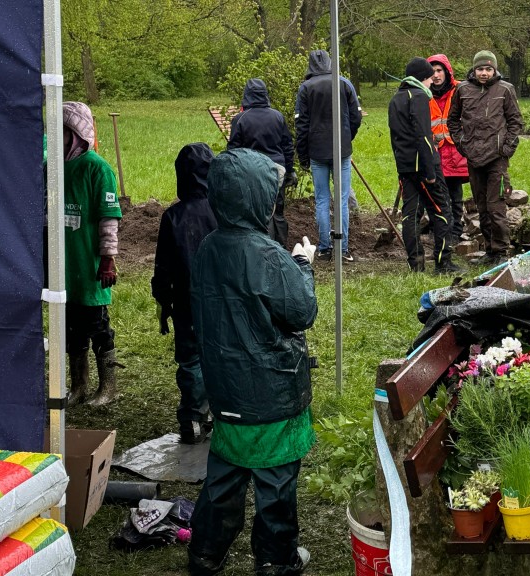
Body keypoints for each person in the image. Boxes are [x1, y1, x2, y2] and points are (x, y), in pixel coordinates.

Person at [188, 148, 318, 576]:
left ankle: (206, 551)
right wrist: (301, 264)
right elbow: (300, 312)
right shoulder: (268, 256)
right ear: (257, 198)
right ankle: (275, 559)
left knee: (223, 476)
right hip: (271, 392)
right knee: (275, 482)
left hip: (225, 389)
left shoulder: (207, 248)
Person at [151, 143, 217, 444]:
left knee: (190, 360)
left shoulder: (173, 217)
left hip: (186, 301)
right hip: (221, 300)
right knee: (218, 355)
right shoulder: (223, 210)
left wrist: (163, 301)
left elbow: (163, 265)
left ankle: (191, 416)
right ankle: (216, 412)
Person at [62, 101, 124, 407]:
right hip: (66, 266)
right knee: (71, 330)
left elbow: (108, 218)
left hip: (90, 266)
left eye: (64, 131)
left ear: (77, 133)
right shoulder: (56, 170)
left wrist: (108, 259)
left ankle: (109, 387)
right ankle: (80, 385)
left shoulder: (97, 169)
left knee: (97, 326)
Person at [448, 50, 524, 265]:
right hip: (473, 157)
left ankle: (500, 252)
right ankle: (489, 250)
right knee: (481, 206)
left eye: (488, 69)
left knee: (496, 206)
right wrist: (462, 144)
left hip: (496, 158)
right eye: (480, 68)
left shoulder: (505, 90)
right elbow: (452, 120)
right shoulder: (462, 89)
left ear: (495, 70)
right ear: (474, 69)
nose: (484, 73)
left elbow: (516, 121)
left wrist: (506, 147)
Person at [388, 57, 462, 274]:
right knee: (442, 211)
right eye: (430, 78)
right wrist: (430, 172)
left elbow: (396, 138)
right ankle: (443, 262)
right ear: (422, 78)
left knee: (410, 215)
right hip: (424, 166)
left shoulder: (396, 98)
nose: (432, 82)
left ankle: (416, 266)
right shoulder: (419, 96)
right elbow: (423, 136)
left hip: (404, 167)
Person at [295, 49, 363, 262]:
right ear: (330, 63)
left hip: (317, 151)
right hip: (341, 151)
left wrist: (303, 154)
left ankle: (324, 248)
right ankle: (342, 249)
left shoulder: (305, 88)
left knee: (322, 200)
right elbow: (356, 116)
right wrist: (346, 137)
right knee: (341, 200)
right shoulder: (344, 83)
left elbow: (301, 124)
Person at [228, 78, 296, 246]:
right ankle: (280, 248)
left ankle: (255, 247)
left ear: (246, 96)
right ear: (265, 95)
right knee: (277, 212)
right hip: (276, 170)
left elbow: (233, 150)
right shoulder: (277, 116)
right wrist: (290, 169)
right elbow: (287, 145)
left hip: (250, 171)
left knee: (252, 211)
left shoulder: (241, 118)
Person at [427, 54, 469, 244]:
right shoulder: (425, 93)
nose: (436, 75)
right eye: (432, 71)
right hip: (435, 151)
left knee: (455, 194)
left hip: (455, 151)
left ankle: (455, 231)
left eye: (439, 70)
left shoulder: (460, 89)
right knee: (438, 194)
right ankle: (442, 229)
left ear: (447, 71)